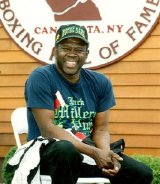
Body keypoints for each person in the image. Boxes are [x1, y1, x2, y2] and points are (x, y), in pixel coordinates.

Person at [25, 24, 153, 184]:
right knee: (65, 149)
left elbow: (100, 129)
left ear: (86, 54)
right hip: (49, 155)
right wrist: (94, 153)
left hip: (87, 151)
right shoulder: (41, 77)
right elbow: (48, 129)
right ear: (54, 51)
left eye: (79, 50)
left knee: (142, 173)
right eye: (66, 48)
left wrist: (105, 155)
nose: (72, 54)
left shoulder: (100, 82)